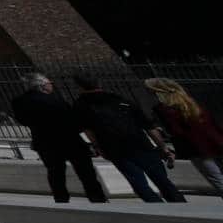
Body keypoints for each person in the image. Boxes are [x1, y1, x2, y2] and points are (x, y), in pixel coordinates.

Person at [70, 74, 185, 203]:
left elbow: (88, 130)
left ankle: (157, 206)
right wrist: (163, 147)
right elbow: (148, 125)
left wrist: (98, 147)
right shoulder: (119, 99)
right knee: (163, 181)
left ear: (79, 87)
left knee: (139, 184)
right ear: (100, 84)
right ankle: (180, 206)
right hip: (141, 144)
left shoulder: (80, 105)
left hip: (115, 149)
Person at [8, 71, 107, 202]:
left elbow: (23, 120)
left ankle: (61, 199)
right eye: (50, 83)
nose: (51, 85)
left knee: (55, 173)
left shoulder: (19, 101)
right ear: (42, 85)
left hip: (44, 141)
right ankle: (96, 197)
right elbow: (70, 118)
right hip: (69, 139)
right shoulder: (54, 99)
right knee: (86, 172)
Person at [145, 80, 223, 200]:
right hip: (215, 140)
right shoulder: (190, 102)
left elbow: (176, 131)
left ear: (156, 91)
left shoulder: (163, 109)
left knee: (215, 177)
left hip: (195, 147)